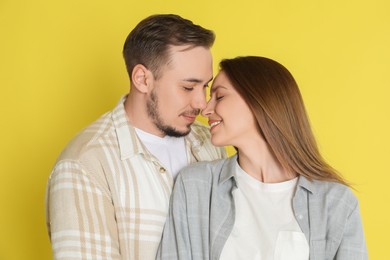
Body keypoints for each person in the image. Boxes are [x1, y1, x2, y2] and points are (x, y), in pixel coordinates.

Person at [45, 14, 226, 259]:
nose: (201, 103)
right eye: (187, 87)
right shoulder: (84, 165)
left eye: (205, 86)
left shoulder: (210, 144)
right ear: (142, 79)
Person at [157, 56, 368, 260]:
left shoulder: (335, 203)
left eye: (219, 96)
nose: (206, 108)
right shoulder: (196, 185)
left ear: (258, 100)